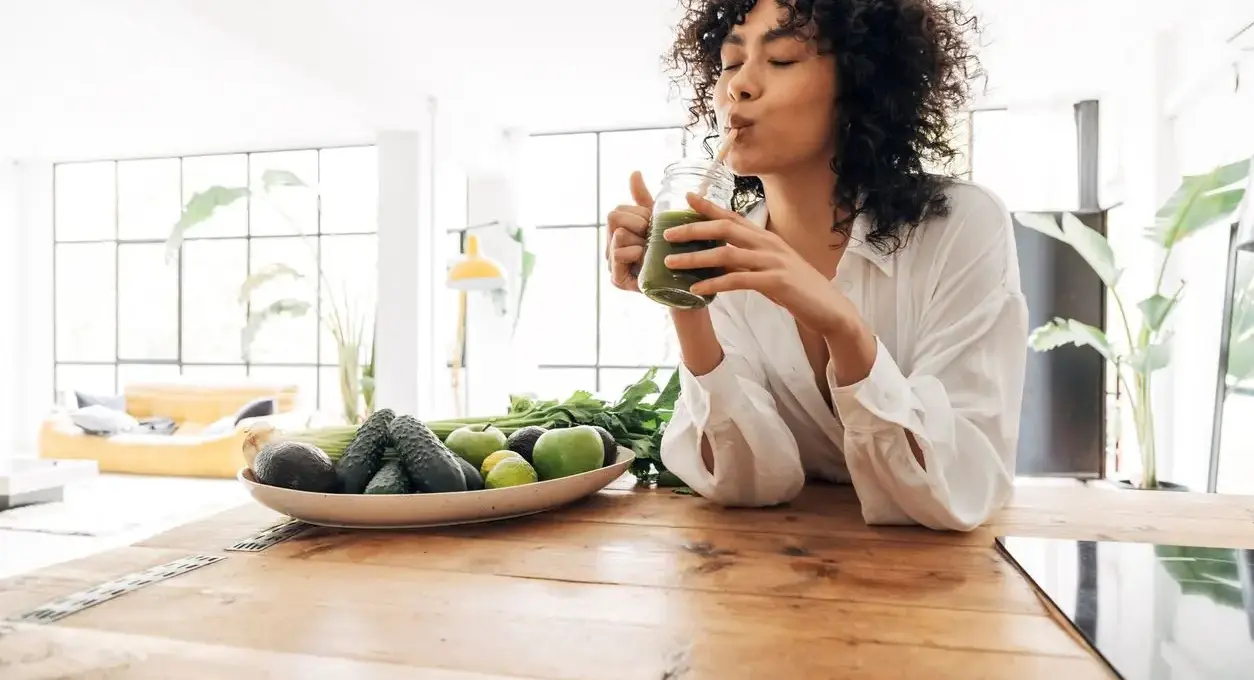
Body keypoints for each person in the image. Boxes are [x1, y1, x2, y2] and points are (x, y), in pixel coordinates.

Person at [604, 0, 1028, 531]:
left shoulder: (961, 226)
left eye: (781, 59)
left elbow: (960, 488)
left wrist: (843, 327)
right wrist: (684, 296)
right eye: (731, 63)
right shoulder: (728, 250)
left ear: (858, 87)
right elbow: (749, 485)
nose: (740, 86)